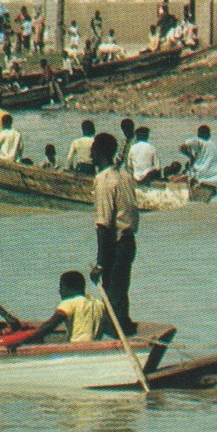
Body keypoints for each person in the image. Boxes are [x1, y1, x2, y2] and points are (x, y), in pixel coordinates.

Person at [90, 131, 138, 333]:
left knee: (113, 296)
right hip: (129, 242)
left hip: (116, 243)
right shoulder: (125, 176)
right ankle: (123, 329)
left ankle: (116, 337)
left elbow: (104, 224)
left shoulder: (104, 180)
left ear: (98, 152)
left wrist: (100, 262)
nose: (90, 153)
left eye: (92, 149)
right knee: (119, 292)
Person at [9, 271, 107, 348]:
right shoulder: (99, 304)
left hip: (77, 348)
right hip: (95, 345)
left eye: (61, 287)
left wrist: (23, 341)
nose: (59, 291)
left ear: (66, 287)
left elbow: (51, 325)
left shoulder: (69, 303)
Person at [178, 125, 217, 194]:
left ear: (198, 134)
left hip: (203, 177)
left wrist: (189, 155)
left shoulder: (199, 141)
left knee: (175, 179)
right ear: (209, 134)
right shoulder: (215, 146)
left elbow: (183, 146)